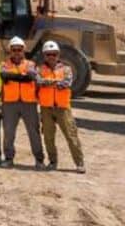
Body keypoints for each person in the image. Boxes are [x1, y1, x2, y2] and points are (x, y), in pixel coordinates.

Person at [37, 41, 85, 173]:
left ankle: (79, 163)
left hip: (63, 108)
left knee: (71, 135)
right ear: (44, 55)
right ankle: (53, 162)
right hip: (46, 108)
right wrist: (54, 82)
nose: (51, 56)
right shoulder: (39, 69)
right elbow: (39, 82)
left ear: (58, 55)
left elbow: (66, 83)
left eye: (53, 54)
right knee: (48, 137)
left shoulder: (66, 69)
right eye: (48, 54)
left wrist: (49, 82)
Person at [0, 36, 44, 169]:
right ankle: (8, 158)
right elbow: (3, 75)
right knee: (8, 133)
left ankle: (39, 159)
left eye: (19, 49)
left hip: (28, 103)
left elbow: (31, 76)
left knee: (34, 132)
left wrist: (12, 77)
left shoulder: (30, 64)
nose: (17, 52)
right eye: (14, 50)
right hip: (10, 103)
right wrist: (22, 77)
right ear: (10, 51)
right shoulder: (4, 64)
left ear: (23, 50)